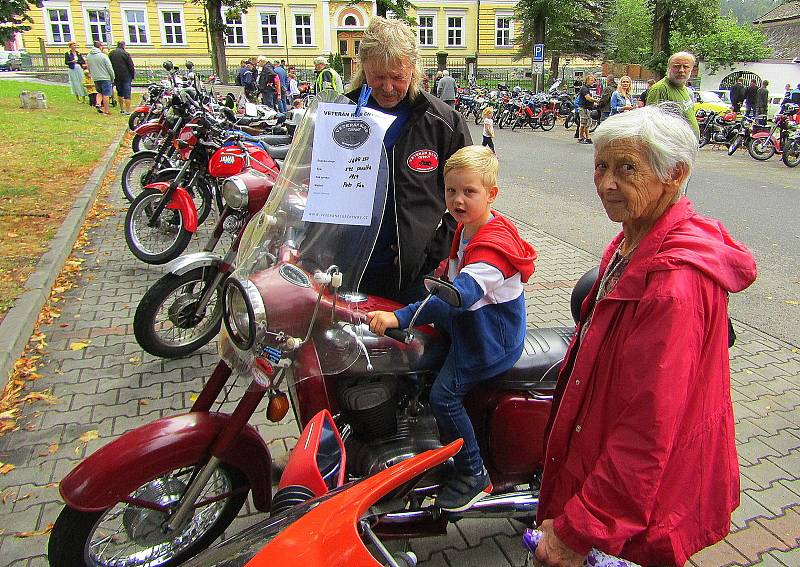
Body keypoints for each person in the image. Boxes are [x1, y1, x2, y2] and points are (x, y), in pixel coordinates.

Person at [534, 105, 757, 567]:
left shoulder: (673, 284)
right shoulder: (633, 237)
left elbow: (647, 429)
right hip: (619, 483)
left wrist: (581, 529)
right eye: (601, 166)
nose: (606, 183)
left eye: (626, 168)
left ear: (674, 174)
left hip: (641, 509)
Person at [368, 145, 536, 511]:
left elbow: (457, 295)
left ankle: (473, 473)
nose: (458, 200)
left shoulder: (493, 249)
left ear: (492, 194)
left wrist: (401, 316)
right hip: (469, 326)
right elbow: (449, 273)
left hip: (488, 339)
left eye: (469, 191)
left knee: (444, 395)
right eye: (451, 191)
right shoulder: (469, 226)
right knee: (417, 359)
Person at [346, 16, 472, 303]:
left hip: (414, 274)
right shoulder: (339, 114)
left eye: (397, 77)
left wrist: (436, 251)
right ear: (362, 67)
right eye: (378, 76)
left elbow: (472, 193)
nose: (388, 87)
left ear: (413, 69)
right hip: (348, 266)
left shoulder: (443, 122)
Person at [646, 51, 700, 138]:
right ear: (669, 68)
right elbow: (651, 124)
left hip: (687, 146)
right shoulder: (660, 89)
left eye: (685, 66)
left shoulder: (686, 90)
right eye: (676, 66)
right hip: (673, 147)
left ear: (691, 69)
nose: (681, 70)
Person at [85, 40, 115, 115]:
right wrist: (112, 77)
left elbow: (88, 67)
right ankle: (106, 110)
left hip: (95, 77)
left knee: (99, 92)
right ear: (100, 46)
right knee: (106, 94)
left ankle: (98, 103)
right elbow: (109, 68)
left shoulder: (88, 56)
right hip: (105, 77)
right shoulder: (103, 56)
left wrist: (92, 75)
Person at [108, 41, 135, 115]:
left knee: (119, 92)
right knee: (127, 93)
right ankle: (128, 110)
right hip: (126, 75)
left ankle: (122, 109)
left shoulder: (111, 53)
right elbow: (130, 66)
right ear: (123, 46)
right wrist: (132, 75)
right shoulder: (125, 54)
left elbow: (109, 64)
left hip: (116, 75)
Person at [578, 74, 598, 144]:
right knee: (583, 123)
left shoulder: (589, 88)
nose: (593, 82)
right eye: (591, 80)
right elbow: (588, 98)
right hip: (584, 108)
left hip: (589, 108)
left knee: (588, 124)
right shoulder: (584, 88)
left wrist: (594, 103)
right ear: (587, 80)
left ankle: (587, 137)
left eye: (593, 80)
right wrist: (596, 101)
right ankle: (580, 137)